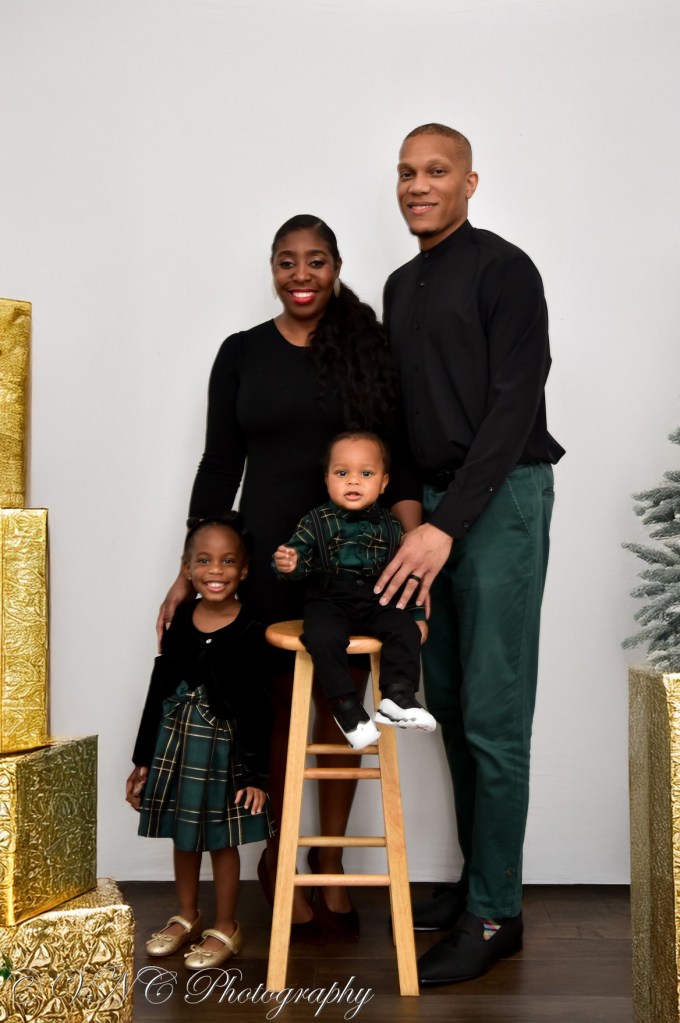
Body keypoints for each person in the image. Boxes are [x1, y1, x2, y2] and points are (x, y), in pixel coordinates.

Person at [157, 215, 420, 942]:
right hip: (270, 557)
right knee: (275, 711)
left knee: (342, 709)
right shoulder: (241, 353)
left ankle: (327, 861)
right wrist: (188, 568)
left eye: (316, 260)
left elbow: (400, 462)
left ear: (336, 266)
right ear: (273, 269)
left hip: (356, 563)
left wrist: (409, 556)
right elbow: (219, 465)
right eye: (286, 261)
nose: (301, 275)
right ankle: (279, 859)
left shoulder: (368, 349)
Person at [375, 124, 565, 985]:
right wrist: (415, 515)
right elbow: (401, 412)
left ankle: (496, 912)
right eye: (406, 172)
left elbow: (513, 407)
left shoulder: (506, 270)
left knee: (494, 712)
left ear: (470, 183)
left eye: (436, 171)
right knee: (448, 699)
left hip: (502, 499)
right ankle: (476, 883)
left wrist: (447, 525)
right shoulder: (398, 285)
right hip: (434, 512)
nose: (418, 185)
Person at [126, 514, 275, 970]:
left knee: (221, 840)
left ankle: (227, 926)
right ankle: (187, 916)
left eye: (228, 561)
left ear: (244, 570)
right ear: (187, 568)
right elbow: (159, 690)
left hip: (223, 752)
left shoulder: (252, 628)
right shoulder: (180, 623)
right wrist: (143, 760)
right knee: (184, 834)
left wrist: (255, 775)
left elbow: (258, 707)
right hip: (176, 745)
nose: (216, 570)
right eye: (205, 560)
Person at [273, 431, 434, 749]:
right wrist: (289, 564)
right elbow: (298, 560)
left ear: (384, 483)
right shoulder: (315, 521)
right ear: (327, 479)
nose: (353, 481)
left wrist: (416, 615)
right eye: (342, 473)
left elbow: (406, 575)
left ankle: (398, 696)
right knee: (322, 636)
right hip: (329, 599)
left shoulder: (392, 525)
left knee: (404, 629)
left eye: (366, 473)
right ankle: (346, 708)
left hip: (377, 599)